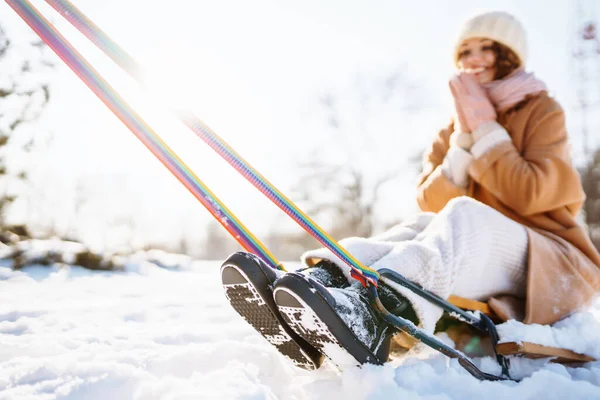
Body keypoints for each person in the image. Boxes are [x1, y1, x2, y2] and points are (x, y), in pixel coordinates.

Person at [221, 11, 600, 371]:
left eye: (486, 48)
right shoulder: (454, 127)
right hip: (480, 260)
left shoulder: (542, 110)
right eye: (465, 51)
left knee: (465, 215)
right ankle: (325, 287)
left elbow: (531, 194)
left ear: (509, 55)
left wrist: (487, 132)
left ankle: (377, 315)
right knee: (419, 224)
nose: (474, 59)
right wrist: (462, 146)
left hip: (549, 262)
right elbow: (432, 204)